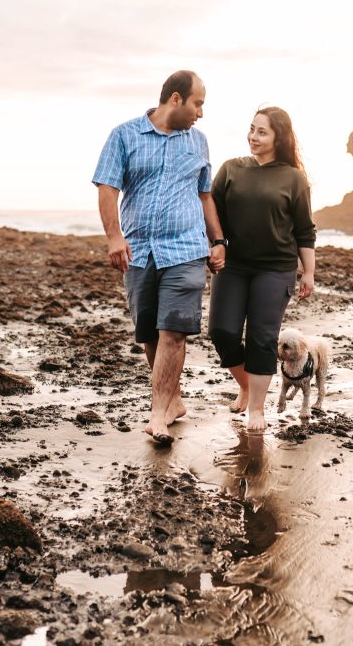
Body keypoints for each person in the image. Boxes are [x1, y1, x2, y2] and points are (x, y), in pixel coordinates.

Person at [92, 70, 226, 445]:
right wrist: (114, 237)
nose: (201, 113)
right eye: (198, 103)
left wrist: (218, 240)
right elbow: (107, 188)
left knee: (174, 332)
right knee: (151, 331)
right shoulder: (124, 134)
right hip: (138, 249)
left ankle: (158, 415)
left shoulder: (198, 142)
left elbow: (205, 195)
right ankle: (173, 400)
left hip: (185, 248)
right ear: (177, 99)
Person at [208, 106, 316, 431]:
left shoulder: (294, 178)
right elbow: (210, 210)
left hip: (276, 268)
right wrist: (215, 243)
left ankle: (256, 409)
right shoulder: (231, 169)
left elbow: (304, 230)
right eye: (252, 129)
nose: (253, 137)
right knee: (222, 332)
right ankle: (246, 385)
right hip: (234, 265)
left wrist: (308, 272)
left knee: (262, 338)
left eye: (262, 132)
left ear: (278, 137)